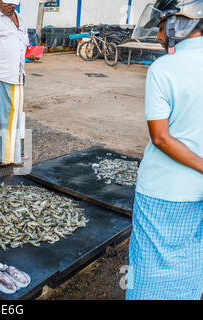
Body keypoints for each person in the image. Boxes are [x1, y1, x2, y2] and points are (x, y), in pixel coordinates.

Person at [126, 0, 203, 300]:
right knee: (192, 258)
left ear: (178, 24)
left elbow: (160, 138)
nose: (159, 35)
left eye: (160, 27)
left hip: (164, 190)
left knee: (150, 268)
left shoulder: (162, 69)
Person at [0, 0, 38, 165]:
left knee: (14, 117)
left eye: (13, 4)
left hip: (17, 75)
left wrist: (30, 54)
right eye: (6, 4)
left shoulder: (21, 18)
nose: (10, 7)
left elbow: (22, 46)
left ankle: (11, 153)